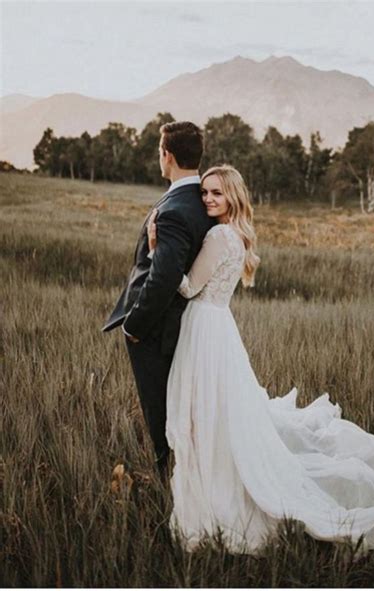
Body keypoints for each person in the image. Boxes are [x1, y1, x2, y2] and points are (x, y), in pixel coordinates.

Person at [146, 164, 374, 556]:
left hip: (204, 328)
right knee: (217, 411)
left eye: (217, 193)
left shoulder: (217, 235)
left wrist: (155, 248)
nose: (209, 199)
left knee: (204, 412)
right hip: (219, 327)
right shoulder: (237, 235)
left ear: (233, 196)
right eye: (205, 193)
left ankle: (217, 485)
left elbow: (187, 287)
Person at [102, 121, 215, 479]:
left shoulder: (176, 209)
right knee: (179, 407)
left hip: (156, 330)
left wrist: (134, 325)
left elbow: (164, 277)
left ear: (167, 155)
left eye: (159, 151)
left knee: (160, 411)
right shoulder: (203, 201)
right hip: (184, 324)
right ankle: (184, 474)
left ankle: (170, 482)